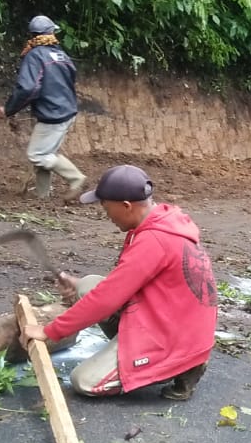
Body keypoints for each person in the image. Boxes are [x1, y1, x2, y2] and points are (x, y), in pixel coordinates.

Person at [19, 165, 217, 400]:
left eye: (106, 207)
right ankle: (143, 352)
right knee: (87, 285)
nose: (107, 215)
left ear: (126, 205)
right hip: (171, 319)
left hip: (174, 337)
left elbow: (106, 300)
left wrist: (49, 331)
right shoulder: (161, 221)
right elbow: (115, 287)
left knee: (84, 381)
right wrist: (75, 284)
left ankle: (180, 366)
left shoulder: (154, 241)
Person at [0, 15, 85, 201]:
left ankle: (75, 178)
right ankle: (42, 195)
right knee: (46, 154)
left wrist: (8, 110)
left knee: (37, 154)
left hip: (53, 114)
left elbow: (28, 88)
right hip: (66, 110)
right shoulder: (61, 55)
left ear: (32, 35)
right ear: (51, 32)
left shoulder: (35, 56)